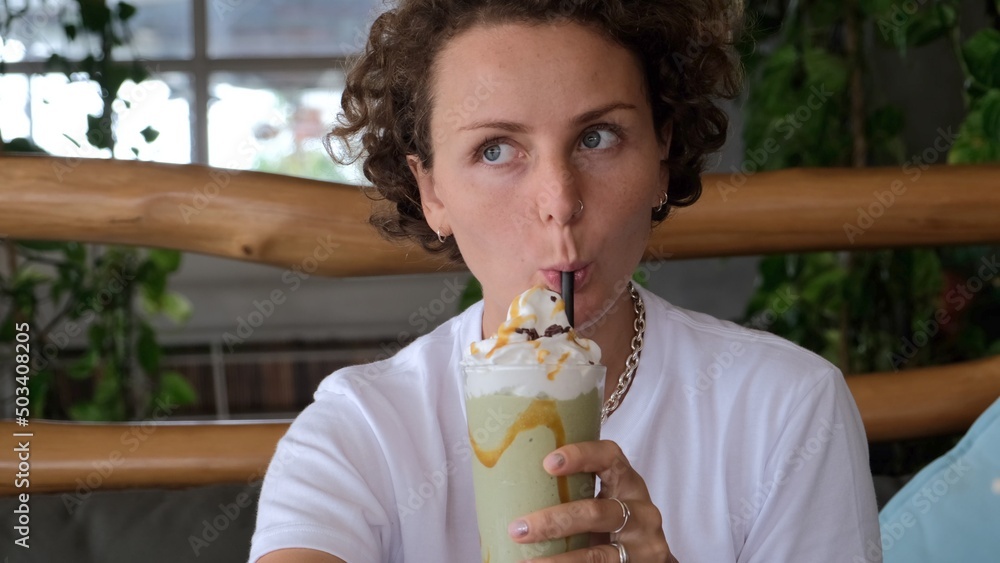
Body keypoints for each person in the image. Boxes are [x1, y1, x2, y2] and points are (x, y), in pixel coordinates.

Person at [250, 1, 881, 561]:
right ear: (432, 191)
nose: (560, 201)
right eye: (496, 149)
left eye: (597, 138)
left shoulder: (787, 407)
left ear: (662, 157)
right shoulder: (362, 430)